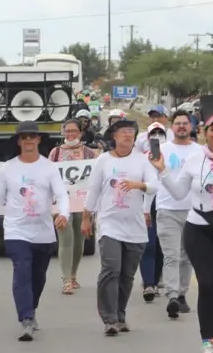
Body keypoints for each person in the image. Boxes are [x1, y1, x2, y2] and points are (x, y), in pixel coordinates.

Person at [0, 121, 70, 341]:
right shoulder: (8, 168)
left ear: (39, 139)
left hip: (43, 232)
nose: (29, 140)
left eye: (33, 136)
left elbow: (61, 194)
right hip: (16, 230)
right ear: (19, 141)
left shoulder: (48, 167)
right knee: (22, 271)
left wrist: (64, 213)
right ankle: (27, 318)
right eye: (24, 137)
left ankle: (30, 309)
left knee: (37, 278)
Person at [149, 113, 213, 353]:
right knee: (208, 283)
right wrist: (162, 171)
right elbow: (178, 193)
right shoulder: (194, 159)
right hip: (198, 227)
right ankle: (207, 343)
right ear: (205, 132)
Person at [81, 120, 158, 336]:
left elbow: (154, 185)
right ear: (114, 136)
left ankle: (120, 314)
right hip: (109, 224)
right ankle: (109, 318)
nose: (127, 135)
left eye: (131, 132)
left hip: (134, 227)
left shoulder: (142, 162)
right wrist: (86, 217)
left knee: (127, 274)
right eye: (123, 132)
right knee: (111, 269)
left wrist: (139, 185)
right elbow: (93, 190)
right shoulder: (103, 161)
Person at [143, 110, 202, 318]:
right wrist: (145, 208)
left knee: (187, 257)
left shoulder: (200, 151)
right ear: (172, 127)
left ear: (191, 127)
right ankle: (172, 296)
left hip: (194, 211)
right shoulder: (162, 150)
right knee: (171, 256)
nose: (182, 127)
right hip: (166, 209)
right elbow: (152, 180)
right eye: (178, 123)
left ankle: (183, 293)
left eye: (185, 123)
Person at [49, 119, 98, 295]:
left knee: (79, 240)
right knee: (65, 238)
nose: (70, 134)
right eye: (67, 131)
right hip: (61, 202)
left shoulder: (89, 153)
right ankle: (66, 280)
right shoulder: (55, 153)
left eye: (73, 131)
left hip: (82, 202)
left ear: (80, 132)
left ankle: (73, 273)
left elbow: (96, 177)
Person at [138, 122, 168, 301]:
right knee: (148, 244)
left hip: (166, 203)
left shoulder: (171, 154)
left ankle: (156, 281)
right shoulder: (141, 158)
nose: (157, 136)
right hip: (147, 203)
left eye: (160, 132)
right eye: (153, 133)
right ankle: (148, 283)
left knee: (161, 246)